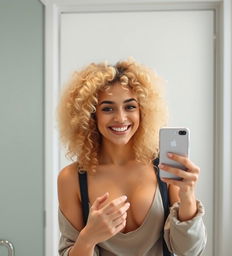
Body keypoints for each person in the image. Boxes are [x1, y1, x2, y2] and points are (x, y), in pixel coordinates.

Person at [56, 59, 207, 256]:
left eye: (130, 107)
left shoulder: (166, 167)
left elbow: (189, 251)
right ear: (92, 116)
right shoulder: (72, 178)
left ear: (143, 111)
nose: (120, 118)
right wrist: (89, 237)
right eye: (108, 108)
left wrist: (188, 196)